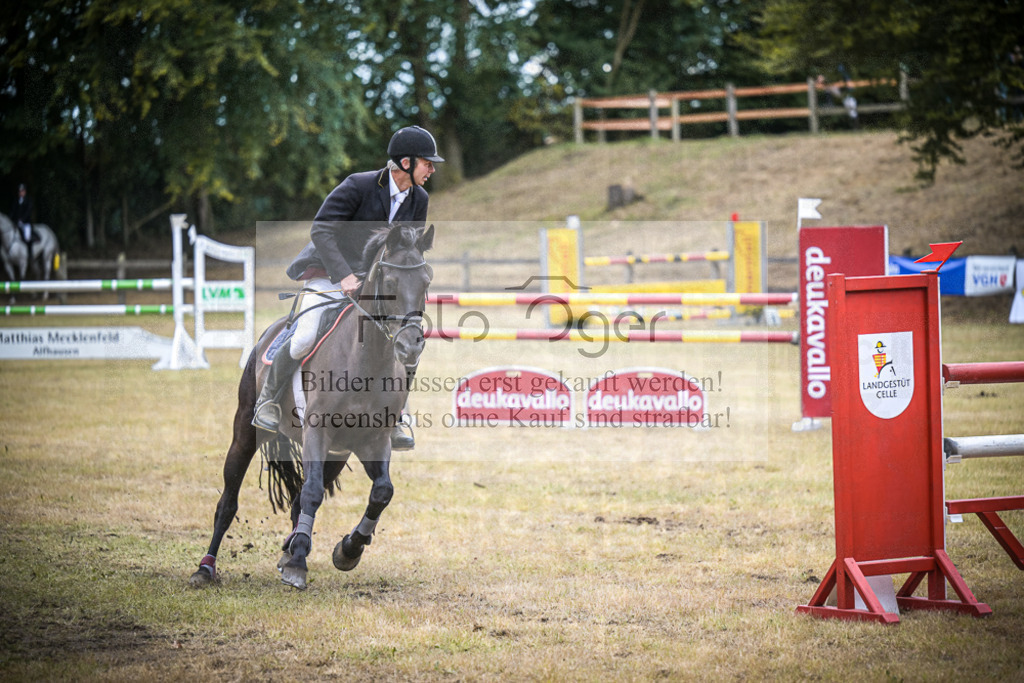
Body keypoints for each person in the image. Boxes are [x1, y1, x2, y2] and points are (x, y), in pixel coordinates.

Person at [251, 125, 444, 449]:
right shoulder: (359, 186)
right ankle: (268, 401)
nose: (433, 169)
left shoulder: (419, 199)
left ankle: (395, 418)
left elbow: (406, 248)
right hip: (329, 273)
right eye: (428, 162)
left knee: (407, 340)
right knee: (305, 335)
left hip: (374, 286)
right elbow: (321, 230)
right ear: (406, 163)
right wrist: (342, 275)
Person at [10, 183, 35, 260]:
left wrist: (22, 220)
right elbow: (13, 211)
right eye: (20, 191)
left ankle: (30, 254)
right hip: (17, 222)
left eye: (22, 191)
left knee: (27, 237)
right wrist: (10, 219)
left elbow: (28, 212)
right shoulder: (16, 200)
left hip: (26, 223)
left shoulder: (29, 200)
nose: (21, 193)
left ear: (25, 192)